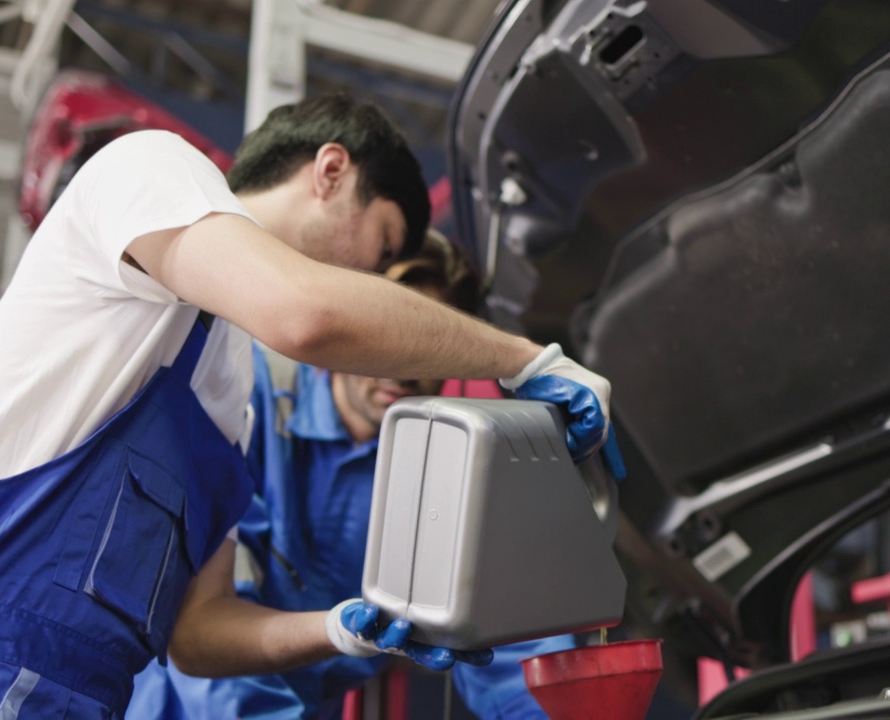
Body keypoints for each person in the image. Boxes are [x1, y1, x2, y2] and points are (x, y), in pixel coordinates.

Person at [0, 95, 617, 718]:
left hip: (78, 697)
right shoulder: (151, 170)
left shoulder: (227, 390)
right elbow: (308, 314)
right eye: (381, 244)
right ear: (331, 171)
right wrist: (527, 359)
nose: (372, 279)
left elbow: (198, 631)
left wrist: (340, 631)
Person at [126, 231, 570, 719]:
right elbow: (205, 628)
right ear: (350, 327)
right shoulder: (253, 401)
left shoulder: (452, 479)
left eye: (427, 349)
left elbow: (509, 650)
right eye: (387, 338)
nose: (403, 366)